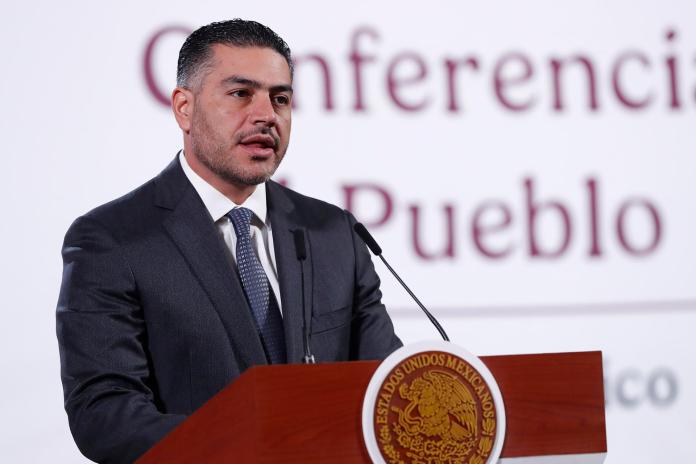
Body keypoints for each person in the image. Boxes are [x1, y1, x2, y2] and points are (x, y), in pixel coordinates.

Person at [56, 19, 401, 463]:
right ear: (184, 108)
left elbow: (385, 387)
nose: (266, 115)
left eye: (280, 99)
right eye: (241, 94)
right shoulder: (112, 240)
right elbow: (104, 413)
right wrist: (250, 447)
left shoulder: (334, 232)